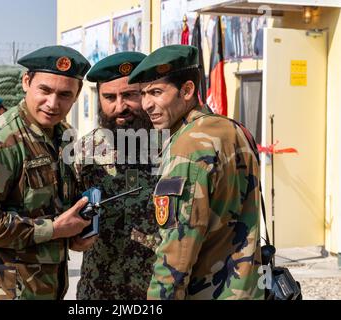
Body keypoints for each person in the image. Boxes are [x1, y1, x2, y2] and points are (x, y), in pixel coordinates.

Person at [128, 45, 264, 300]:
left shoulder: (189, 146)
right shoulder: (234, 130)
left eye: (156, 92)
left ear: (187, 90)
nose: (146, 104)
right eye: (143, 94)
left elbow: (177, 251)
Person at [0, 45, 94, 300]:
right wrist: (54, 229)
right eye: (45, 90)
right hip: (8, 292)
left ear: (76, 96)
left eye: (65, 94)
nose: (52, 103)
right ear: (26, 82)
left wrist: (75, 233)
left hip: (49, 287)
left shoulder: (63, 135)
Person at [74, 52, 159, 300]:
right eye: (109, 97)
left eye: (129, 95)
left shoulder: (173, 148)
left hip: (157, 291)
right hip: (98, 292)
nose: (120, 107)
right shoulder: (82, 154)